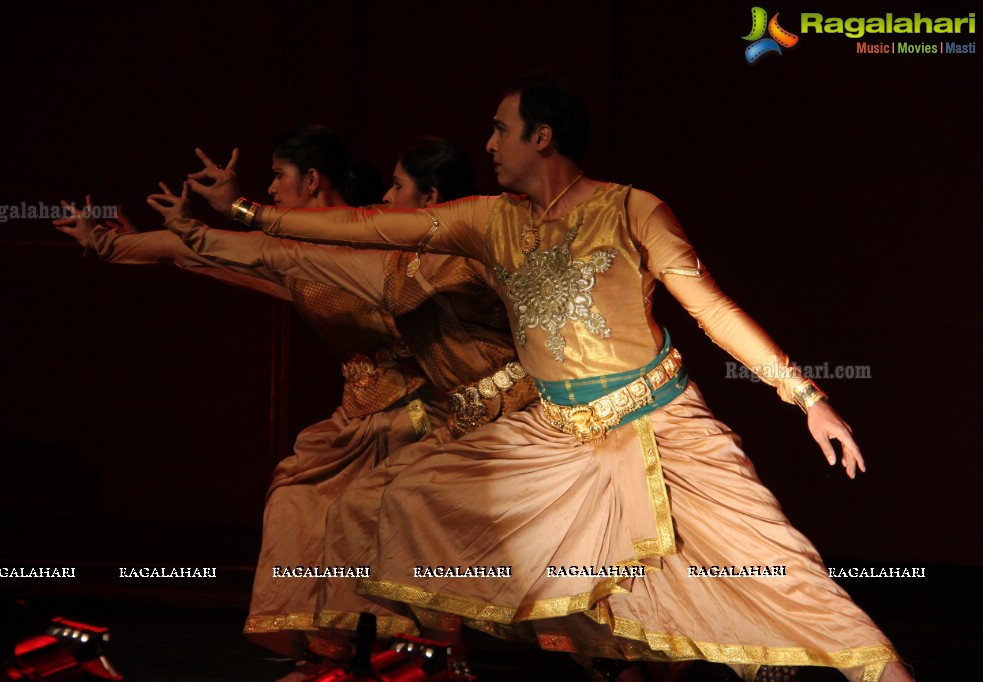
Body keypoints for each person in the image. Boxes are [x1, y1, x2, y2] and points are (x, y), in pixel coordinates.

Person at [188, 74, 910, 681]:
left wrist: (806, 398)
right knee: (408, 495)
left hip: (662, 427)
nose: (489, 145)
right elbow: (366, 229)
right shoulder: (488, 221)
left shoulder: (632, 210)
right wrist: (252, 211)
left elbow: (713, 311)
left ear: (542, 138)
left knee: (783, 572)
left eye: (500, 130)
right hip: (554, 438)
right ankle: (435, 656)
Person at [56, 129, 534, 677]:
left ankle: (435, 656)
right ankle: (327, 657)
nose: (272, 187)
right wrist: (112, 245)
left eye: (280, 175)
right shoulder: (298, 248)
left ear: (312, 180)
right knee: (296, 503)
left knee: (376, 515)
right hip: (357, 416)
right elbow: (231, 256)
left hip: (423, 411)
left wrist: (224, 217)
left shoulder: (380, 234)